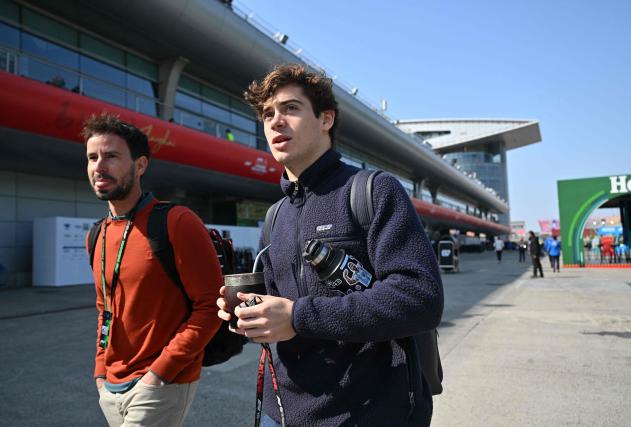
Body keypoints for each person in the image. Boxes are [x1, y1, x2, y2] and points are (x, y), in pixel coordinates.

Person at [217, 64, 444, 426]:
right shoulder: (275, 216)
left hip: (372, 413)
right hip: (283, 413)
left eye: (290, 108)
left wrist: (297, 317)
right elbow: (278, 310)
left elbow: (420, 298)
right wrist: (245, 315)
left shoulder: (374, 191)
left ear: (326, 119)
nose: (276, 122)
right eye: (268, 114)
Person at [83, 113, 222, 427]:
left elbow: (210, 305)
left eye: (111, 156)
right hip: (111, 385)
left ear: (140, 165)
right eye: (92, 157)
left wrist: (159, 373)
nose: (99, 166)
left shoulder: (177, 222)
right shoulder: (96, 235)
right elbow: (105, 307)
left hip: (161, 384)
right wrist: (100, 370)